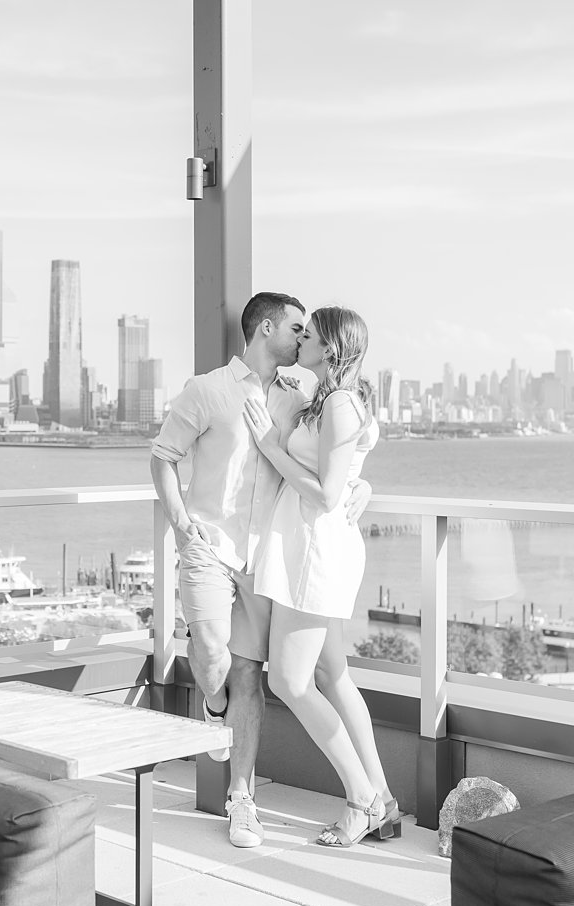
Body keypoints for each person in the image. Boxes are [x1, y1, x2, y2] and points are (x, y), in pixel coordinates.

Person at [151, 292, 369, 850]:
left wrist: (361, 486)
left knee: (251, 674)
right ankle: (213, 703)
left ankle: (242, 799)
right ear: (265, 327)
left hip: (266, 556)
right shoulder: (207, 390)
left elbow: (348, 442)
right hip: (208, 544)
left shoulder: (302, 394)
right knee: (215, 653)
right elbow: (163, 455)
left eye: (308, 333)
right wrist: (180, 522)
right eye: (296, 328)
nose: (302, 338)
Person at [241, 304, 400, 847]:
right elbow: (348, 468)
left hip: (314, 548)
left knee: (289, 680)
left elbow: (329, 493)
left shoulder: (337, 403)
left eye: (308, 335)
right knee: (333, 675)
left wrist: (268, 446)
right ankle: (383, 796)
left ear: (329, 349)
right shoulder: (328, 397)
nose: (300, 340)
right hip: (307, 543)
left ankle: (362, 800)